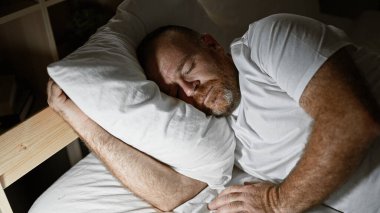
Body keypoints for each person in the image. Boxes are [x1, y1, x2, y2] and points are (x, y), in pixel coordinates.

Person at [48, 14, 380, 212]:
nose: (190, 91)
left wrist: (277, 202)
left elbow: (352, 122)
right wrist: (83, 122)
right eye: (175, 92)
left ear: (211, 45)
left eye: (188, 69)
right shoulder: (219, 131)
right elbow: (172, 194)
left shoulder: (268, 41)